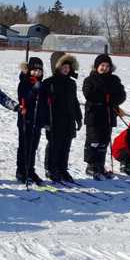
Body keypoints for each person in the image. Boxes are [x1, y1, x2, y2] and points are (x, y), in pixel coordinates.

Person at [82, 54, 127, 180]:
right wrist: (105, 96)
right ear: (97, 66)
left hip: (108, 115)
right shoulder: (90, 79)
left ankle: (100, 165)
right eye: (102, 66)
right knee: (94, 141)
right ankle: (91, 166)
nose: (104, 68)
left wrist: (111, 99)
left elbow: (121, 95)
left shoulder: (114, 80)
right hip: (94, 115)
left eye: (107, 66)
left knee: (104, 141)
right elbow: (89, 94)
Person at [43, 52, 82, 183]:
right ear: (57, 67)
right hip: (55, 120)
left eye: (68, 67)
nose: (66, 69)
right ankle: (50, 168)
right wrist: (45, 121)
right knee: (54, 145)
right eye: (63, 67)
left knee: (66, 145)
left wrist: (78, 117)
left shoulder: (72, 83)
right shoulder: (49, 82)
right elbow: (43, 104)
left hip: (69, 120)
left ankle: (62, 168)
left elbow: (74, 101)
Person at [16, 57, 50, 185]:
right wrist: (33, 90)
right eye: (34, 70)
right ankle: (21, 171)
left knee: (33, 146)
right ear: (29, 70)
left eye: (39, 71)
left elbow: (45, 105)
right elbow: (24, 98)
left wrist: (46, 120)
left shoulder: (42, 85)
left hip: (37, 121)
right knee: (24, 145)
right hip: (26, 120)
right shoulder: (24, 82)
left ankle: (30, 169)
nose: (37, 73)